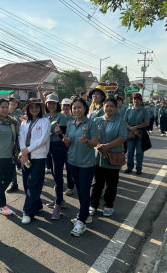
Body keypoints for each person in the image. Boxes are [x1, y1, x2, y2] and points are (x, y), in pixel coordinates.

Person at [63, 97, 99, 237]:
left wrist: (87, 141)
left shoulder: (91, 124)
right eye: (74, 108)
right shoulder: (71, 123)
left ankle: (81, 221)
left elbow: (95, 143)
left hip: (86, 164)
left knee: (84, 191)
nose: (76, 110)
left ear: (84, 108)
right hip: (72, 162)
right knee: (80, 191)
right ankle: (85, 215)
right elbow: (69, 145)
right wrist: (66, 141)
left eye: (79, 107)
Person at [90, 96, 127, 217]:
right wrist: (100, 147)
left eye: (112, 106)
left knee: (111, 184)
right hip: (98, 157)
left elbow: (122, 138)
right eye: (107, 106)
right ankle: (93, 204)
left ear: (116, 108)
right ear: (103, 107)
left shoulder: (120, 121)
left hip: (114, 157)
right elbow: (92, 137)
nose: (109, 108)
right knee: (97, 183)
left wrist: (107, 146)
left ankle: (108, 205)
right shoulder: (97, 120)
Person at [19, 98, 51, 224]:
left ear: (40, 108)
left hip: (39, 156)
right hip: (26, 156)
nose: (34, 109)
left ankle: (27, 212)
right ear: (27, 109)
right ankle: (37, 205)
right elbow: (21, 137)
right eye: (31, 107)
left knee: (33, 184)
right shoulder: (24, 122)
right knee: (27, 184)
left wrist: (28, 149)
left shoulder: (45, 121)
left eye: (36, 107)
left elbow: (43, 139)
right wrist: (24, 152)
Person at [0, 98, 20, 216]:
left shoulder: (12, 121)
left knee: (8, 179)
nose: (5, 109)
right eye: (2, 107)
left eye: (7, 107)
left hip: (10, 156)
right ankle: (1, 205)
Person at [44, 93, 68, 220]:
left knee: (58, 175)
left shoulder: (61, 117)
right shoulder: (46, 116)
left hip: (59, 147)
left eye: (53, 103)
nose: (51, 105)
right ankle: (60, 200)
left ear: (57, 104)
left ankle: (58, 205)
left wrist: (59, 134)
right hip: (48, 147)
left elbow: (64, 137)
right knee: (54, 174)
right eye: (49, 103)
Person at [124, 93, 149, 175]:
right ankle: (129, 167)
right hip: (130, 133)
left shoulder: (144, 110)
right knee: (130, 151)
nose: (136, 101)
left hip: (140, 133)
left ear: (140, 101)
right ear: (133, 100)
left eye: (138, 99)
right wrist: (131, 128)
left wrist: (137, 127)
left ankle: (139, 168)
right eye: (135, 99)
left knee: (139, 151)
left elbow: (146, 122)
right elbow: (124, 122)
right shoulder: (128, 110)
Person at [6, 93, 23, 193]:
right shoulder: (4, 111)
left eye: (16, 102)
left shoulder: (19, 112)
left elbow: (23, 124)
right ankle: (14, 183)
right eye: (12, 100)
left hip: (18, 139)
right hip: (7, 140)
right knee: (11, 162)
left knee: (22, 160)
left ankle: (29, 181)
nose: (13, 103)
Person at [61, 98, 75, 196]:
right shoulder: (57, 116)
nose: (66, 107)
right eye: (64, 105)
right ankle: (59, 184)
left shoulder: (74, 118)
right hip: (57, 146)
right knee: (57, 167)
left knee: (69, 167)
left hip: (69, 146)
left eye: (68, 105)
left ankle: (70, 187)